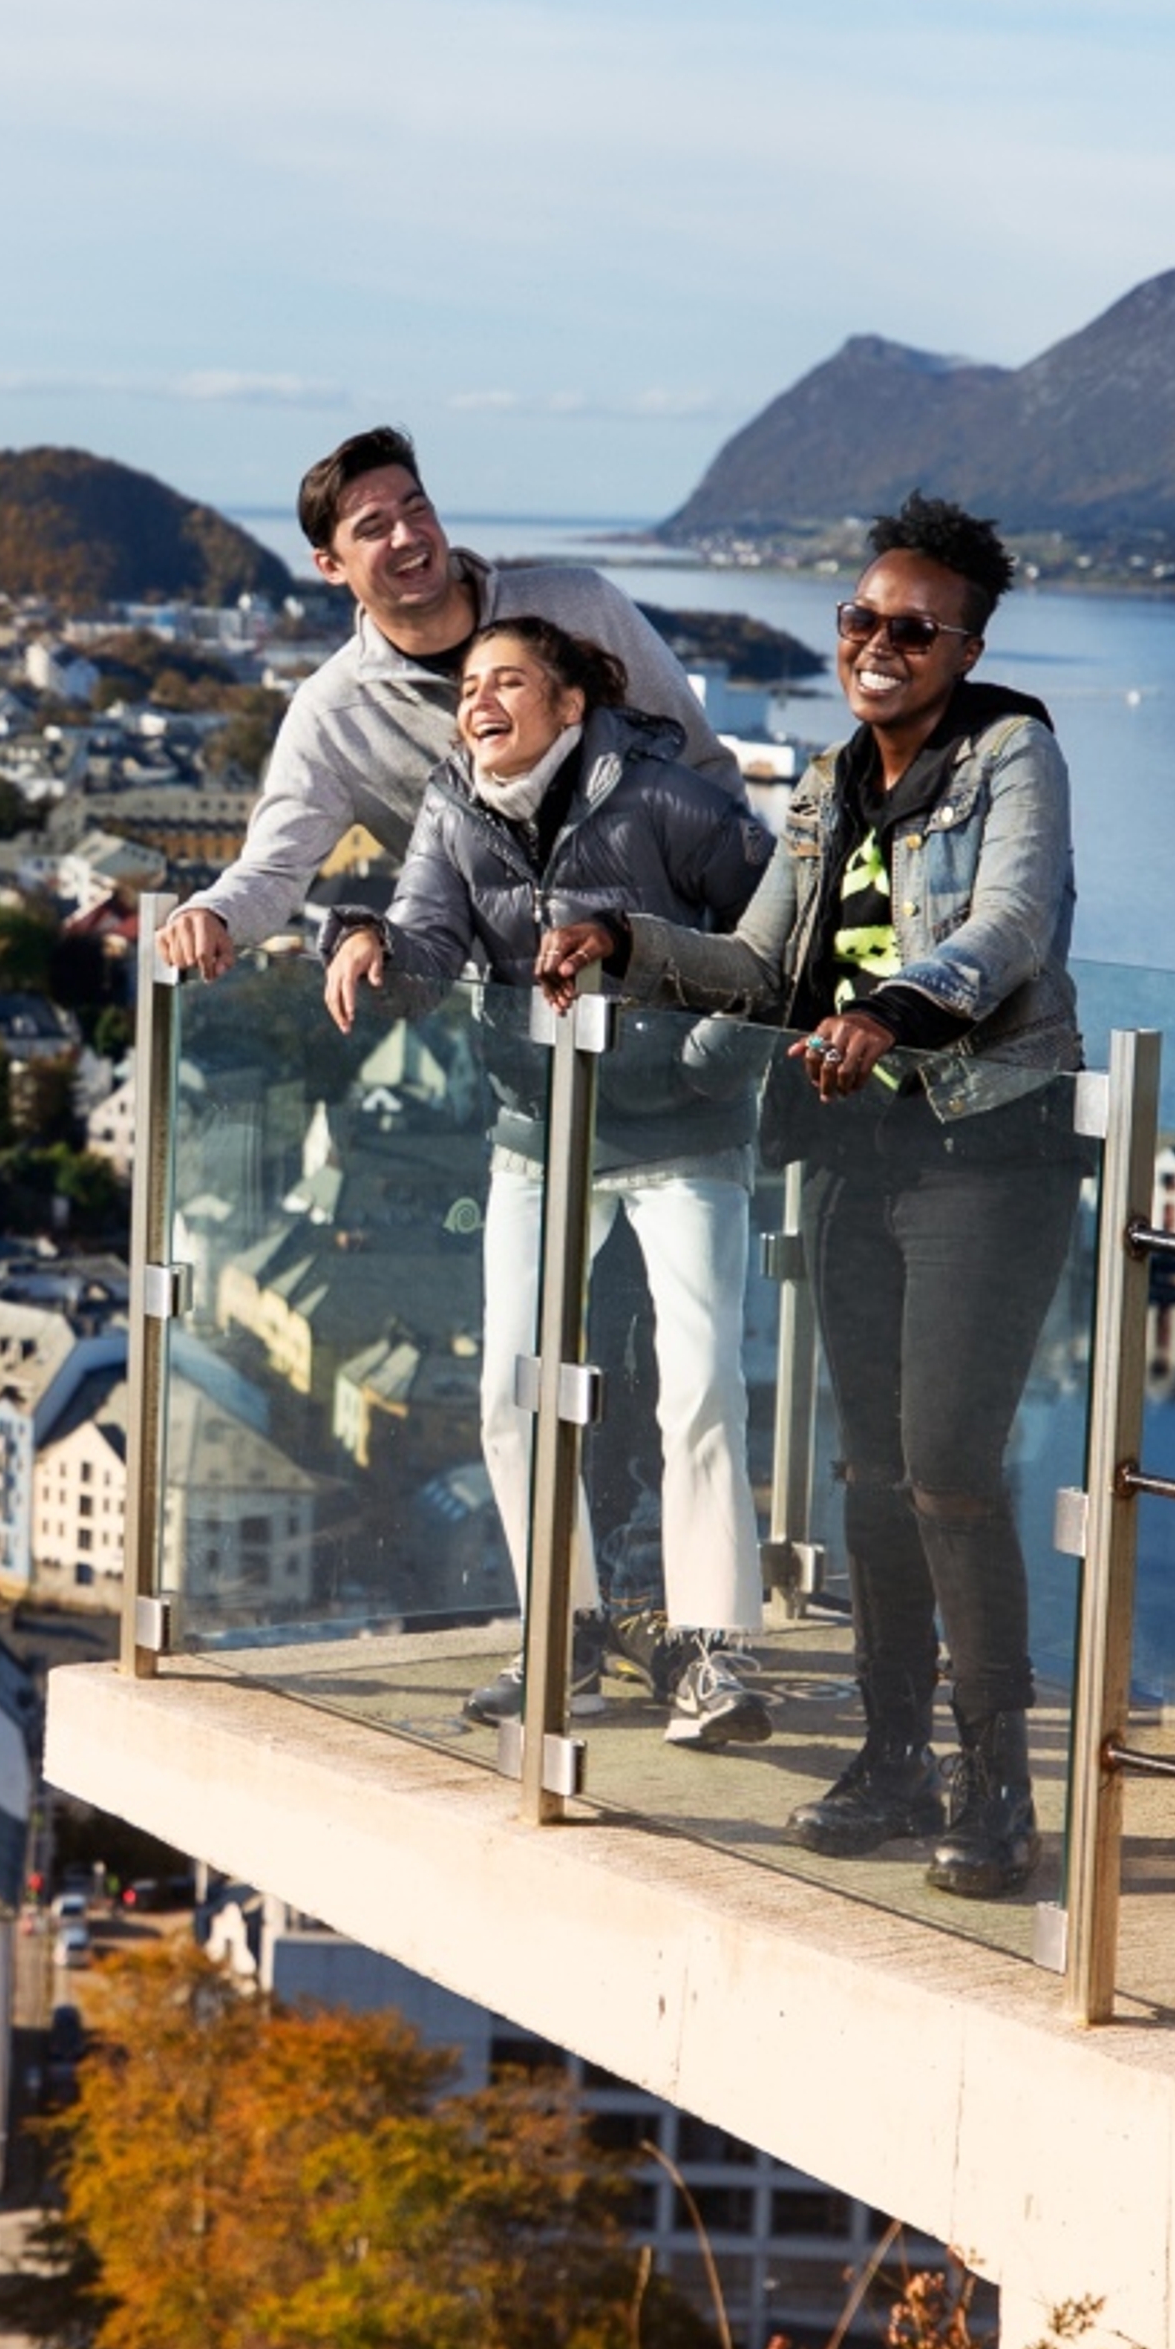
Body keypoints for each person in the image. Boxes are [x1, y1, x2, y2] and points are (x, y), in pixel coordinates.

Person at [536, 494, 1082, 1897]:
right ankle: (893, 1759)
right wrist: (622, 944)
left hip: (986, 1157)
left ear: (966, 647)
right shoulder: (828, 782)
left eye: (914, 627)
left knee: (955, 1474)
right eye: (860, 619)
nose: (877, 643)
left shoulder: (1013, 751)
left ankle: (996, 1790)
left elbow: (1010, 925)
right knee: (870, 1475)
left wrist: (897, 1008)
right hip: (855, 1160)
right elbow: (764, 969)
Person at [324, 616, 776, 1746]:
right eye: (468, 685)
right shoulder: (454, 804)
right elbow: (431, 942)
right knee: (512, 1391)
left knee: (702, 1383)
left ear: (570, 706)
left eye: (507, 682)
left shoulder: (668, 799)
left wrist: (710, 1055)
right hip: (542, 1124)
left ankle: (716, 1653)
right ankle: (562, 1637)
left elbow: (779, 934)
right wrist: (368, 939)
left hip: (683, 1128)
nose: (478, 701)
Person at [154, 427, 733, 986]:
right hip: (520, 1029)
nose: (407, 537)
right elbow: (276, 868)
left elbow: (707, 772)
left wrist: (730, 974)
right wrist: (213, 914)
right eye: (374, 527)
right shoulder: (332, 715)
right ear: (330, 566)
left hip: (675, 1000)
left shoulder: (582, 606)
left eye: (416, 509)